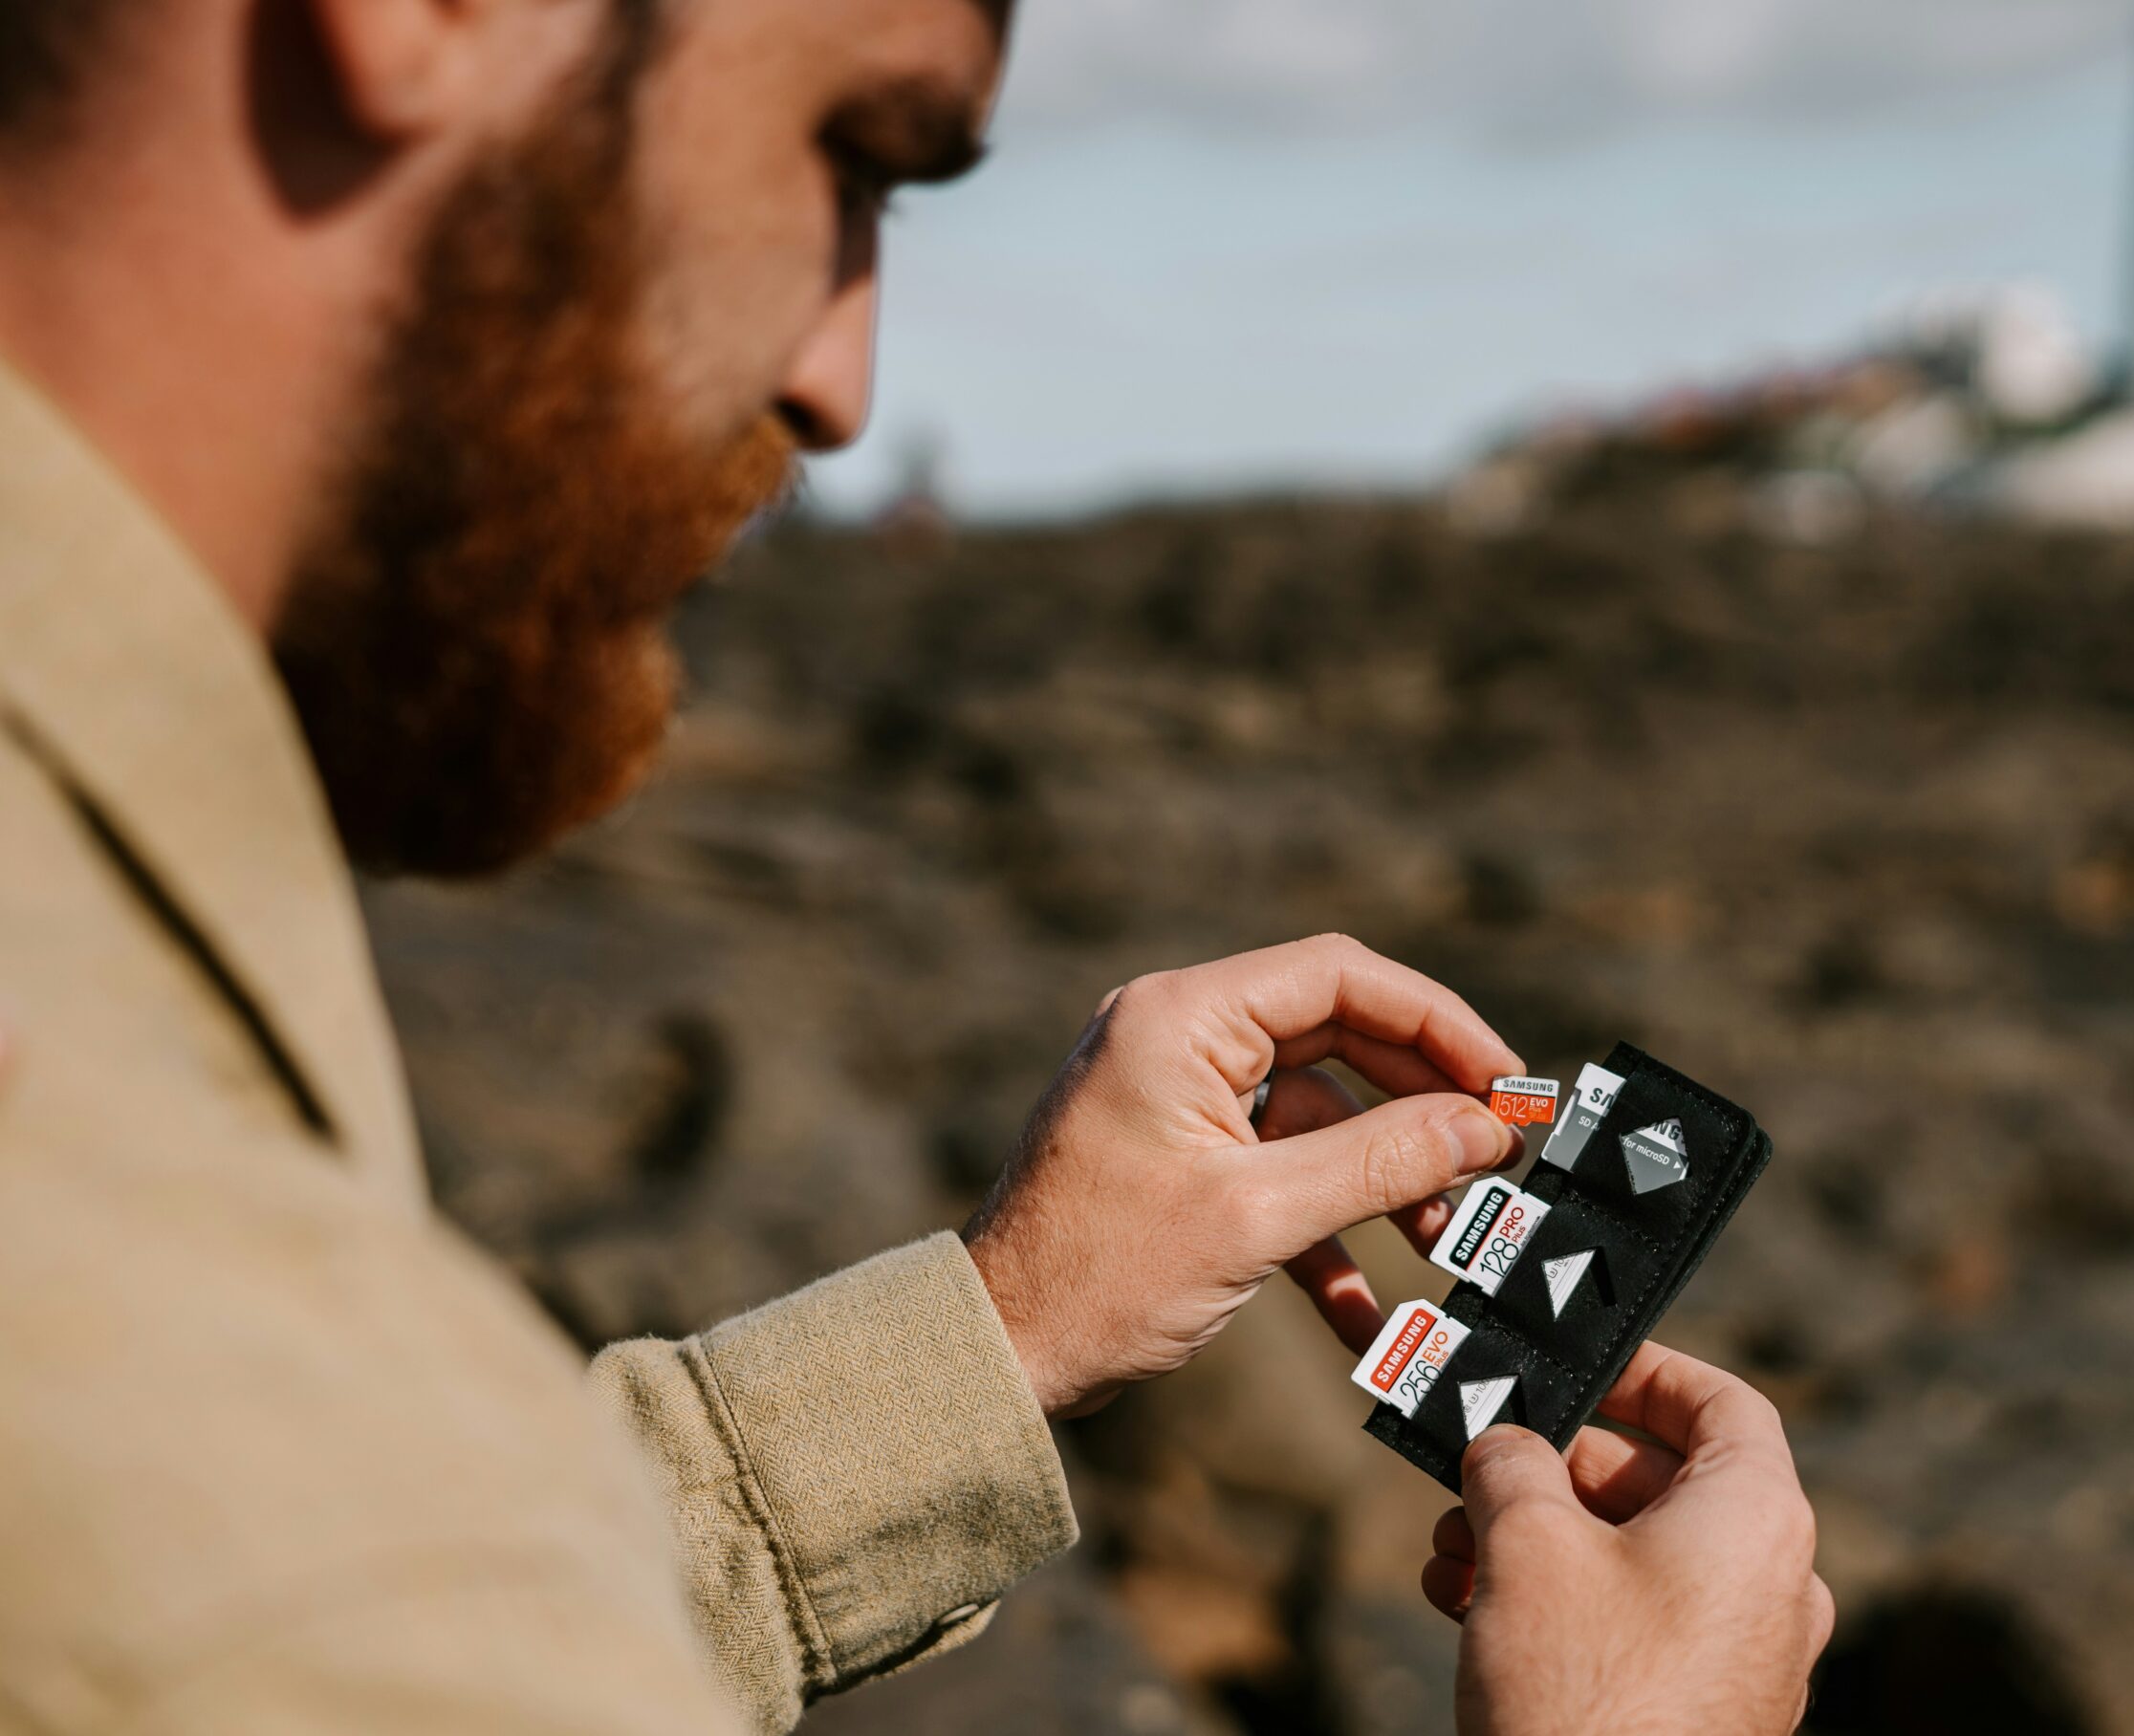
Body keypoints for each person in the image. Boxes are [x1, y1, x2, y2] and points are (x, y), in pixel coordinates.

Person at [0, 0, 1833, 1729]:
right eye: (851, 157)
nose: (843, 386)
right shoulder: (138, 1313)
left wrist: (1011, 1323)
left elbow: (360, 1589)